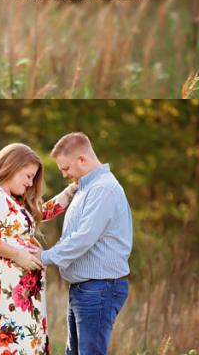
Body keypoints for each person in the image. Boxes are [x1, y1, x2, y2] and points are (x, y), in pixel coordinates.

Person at [0, 143, 78, 355]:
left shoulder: (13, 202)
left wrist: (71, 191)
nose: (30, 182)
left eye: (33, 178)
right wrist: (18, 255)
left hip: (17, 300)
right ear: (12, 166)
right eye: (28, 175)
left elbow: (41, 212)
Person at [33, 132, 133, 355]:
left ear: (81, 159)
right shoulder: (85, 188)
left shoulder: (103, 189)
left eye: (66, 168)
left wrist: (43, 257)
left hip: (99, 289)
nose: (64, 174)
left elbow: (82, 238)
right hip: (85, 288)